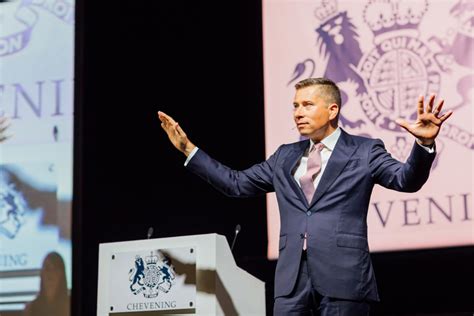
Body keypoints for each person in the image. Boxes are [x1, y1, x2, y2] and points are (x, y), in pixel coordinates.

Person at [158, 77, 452, 315]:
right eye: (295, 105)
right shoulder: (285, 156)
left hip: (344, 280)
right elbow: (236, 184)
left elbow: (405, 180)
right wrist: (188, 150)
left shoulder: (365, 151)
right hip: (290, 285)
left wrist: (424, 144)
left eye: (308, 105)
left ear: (333, 110)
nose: (298, 112)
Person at [23, 252, 70, 316]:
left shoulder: (70, 305)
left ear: (62, 275)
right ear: (41, 274)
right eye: (47, 269)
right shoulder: (31, 308)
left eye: (55, 269)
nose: (51, 274)